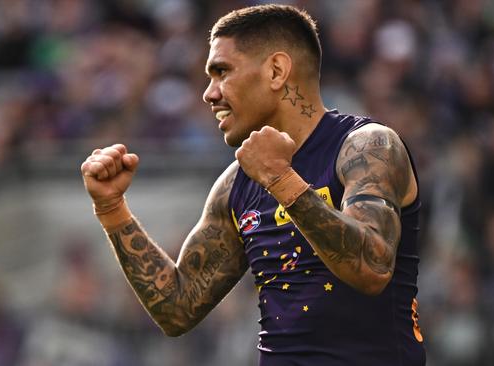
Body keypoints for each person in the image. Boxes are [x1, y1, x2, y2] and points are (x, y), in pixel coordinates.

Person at [81, 4, 425, 365]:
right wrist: (112, 209)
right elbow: (177, 308)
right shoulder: (236, 184)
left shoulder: (367, 146)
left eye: (222, 72)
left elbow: (372, 268)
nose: (209, 94)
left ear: (276, 71)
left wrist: (281, 180)